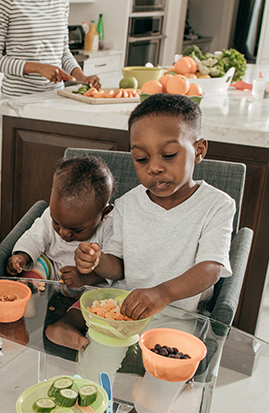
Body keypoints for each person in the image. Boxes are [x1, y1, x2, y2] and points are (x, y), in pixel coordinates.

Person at [49, 94, 235, 351]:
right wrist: (97, 260)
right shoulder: (127, 204)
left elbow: (211, 268)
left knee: (156, 383)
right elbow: (118, 269)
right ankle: (70, 326)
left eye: (169, 155)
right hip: (123, 305)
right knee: (95, 365)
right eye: (142, 158)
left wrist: (163, 293)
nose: (154, 168)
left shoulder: (217, 205)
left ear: (199, 150)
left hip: (178, 314)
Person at [6, 156, 114, 295]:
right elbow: (34, 238)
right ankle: (30, 296)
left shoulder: (110, 227)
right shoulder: (51, 213)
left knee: (100, 294)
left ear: (104, 213)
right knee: (37, 264)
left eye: (76, 229)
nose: (63, 233)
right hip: (53, 267)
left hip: (87, 281)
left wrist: (85, 278)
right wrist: (22, 256)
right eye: (56, 223)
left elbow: (112, 271)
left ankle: (75, 312)